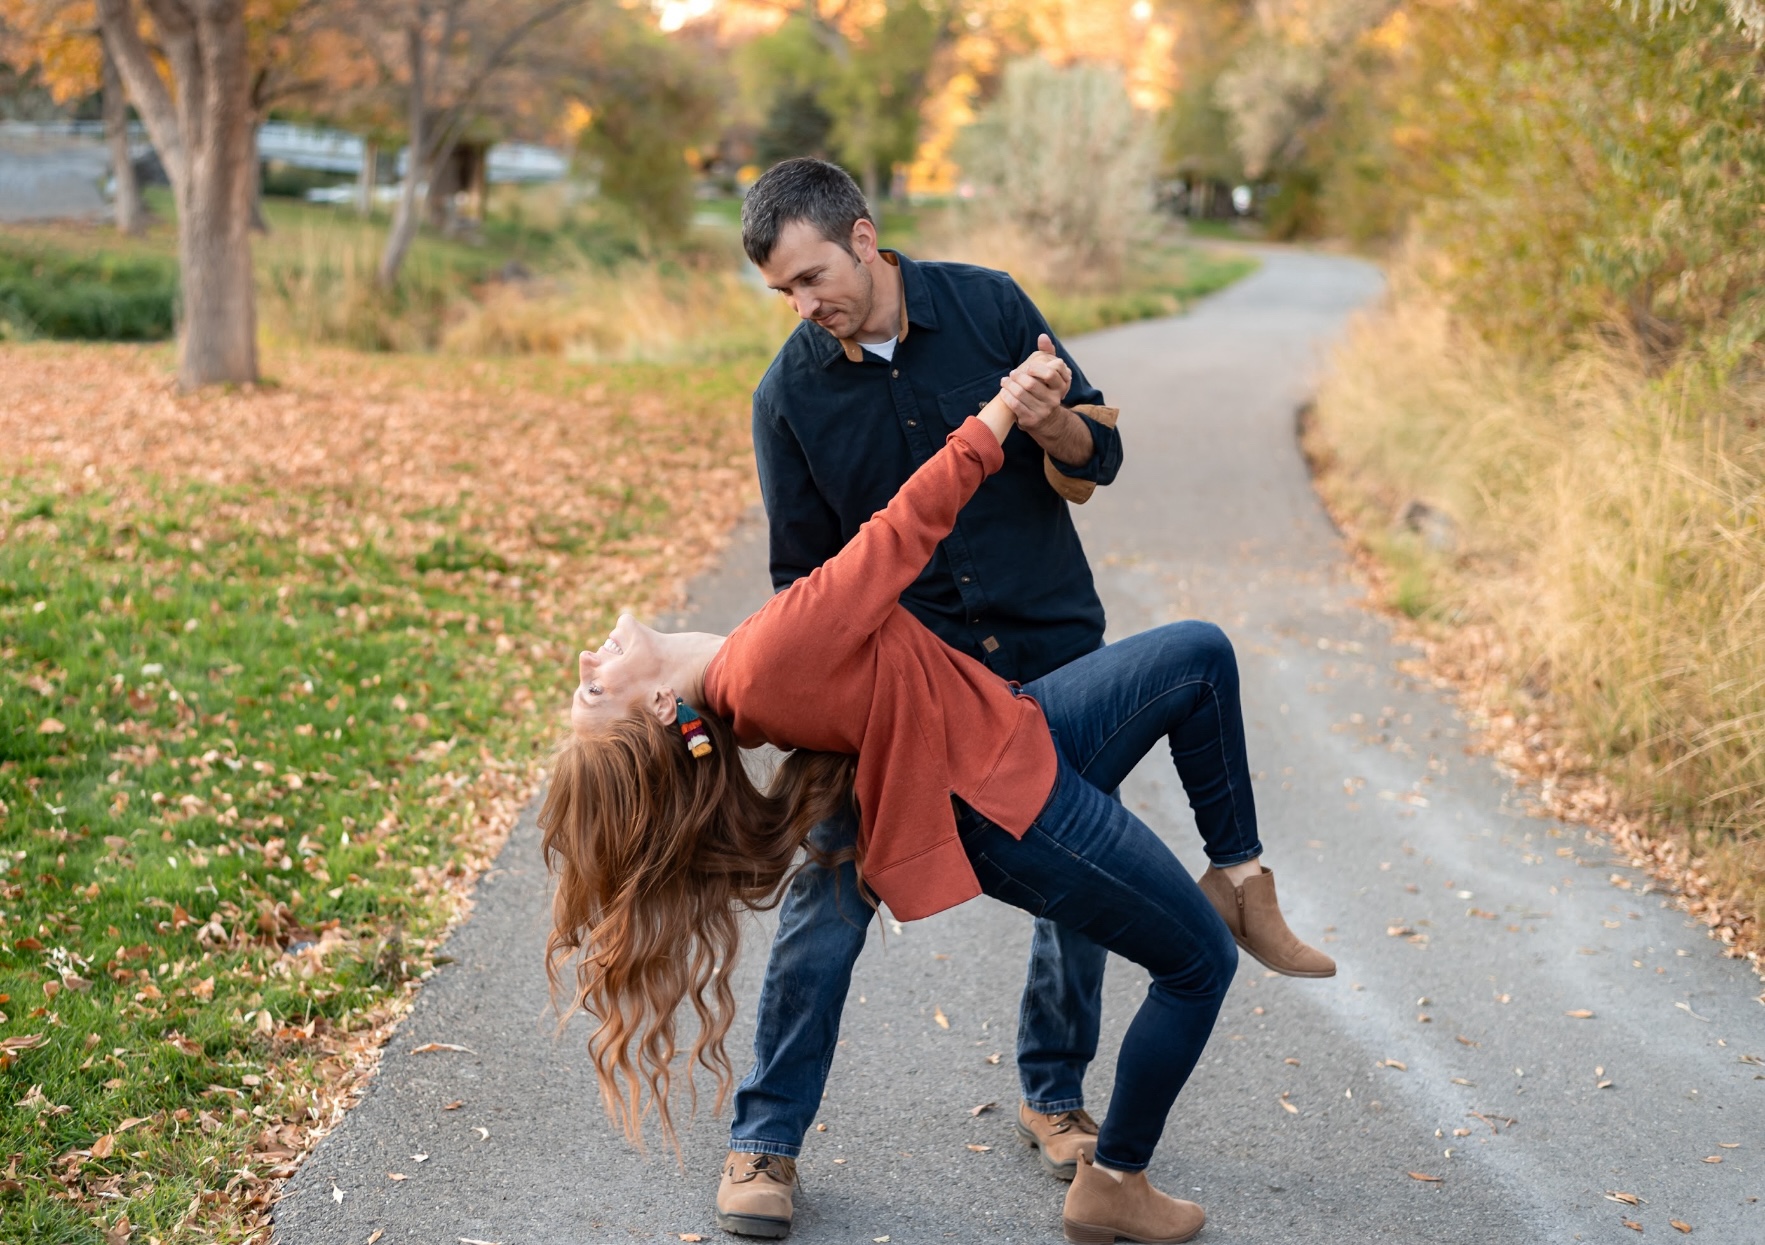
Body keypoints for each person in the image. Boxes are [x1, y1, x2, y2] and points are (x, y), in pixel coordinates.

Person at [542, 366, 1334, 1245]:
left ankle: (1241, 880)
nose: (586, 660)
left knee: (1195, 655)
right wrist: (997, 412)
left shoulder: (745, 679)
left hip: (1010, 726)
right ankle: (1114, 1181)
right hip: (1002, 794)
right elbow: (904, 529)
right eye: (591, 693)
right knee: (1195, 967)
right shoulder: (758, 665)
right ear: (658, 711)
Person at [716, 155, 1124, 1240]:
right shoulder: (787, 395)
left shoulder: (988, 304)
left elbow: (1102, 450)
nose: (806, 308)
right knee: (827, 892)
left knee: (1082, 881)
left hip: (1048, 649)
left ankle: (1054, 1091)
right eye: (784, 295)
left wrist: (1046, 424)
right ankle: (765, 1138)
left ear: (862, 236)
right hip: (901, 688)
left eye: (811, 278)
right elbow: (802, 590)